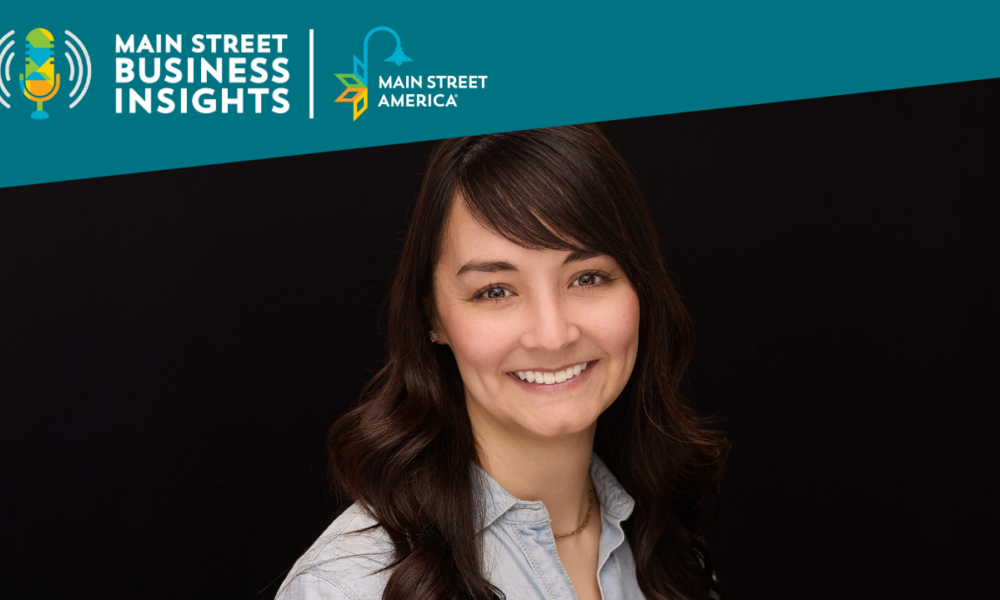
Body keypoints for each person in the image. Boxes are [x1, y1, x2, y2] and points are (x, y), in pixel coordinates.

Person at [276, 124, 730, 600]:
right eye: (495, 291)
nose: (553, 336)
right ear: (434, 317)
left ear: (641, 290)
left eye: (589, 278)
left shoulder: (670, 550)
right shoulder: (347, 589)